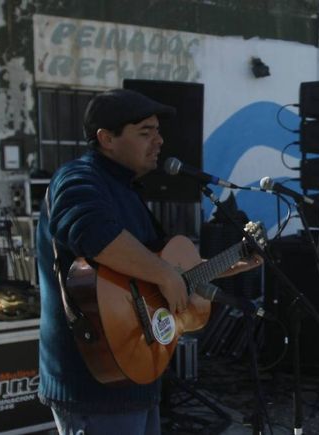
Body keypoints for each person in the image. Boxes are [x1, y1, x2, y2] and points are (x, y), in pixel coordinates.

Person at [36, 89, 261, 434]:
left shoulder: (126, 189)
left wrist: (233, 263)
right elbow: (89, 231)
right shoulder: (78, 177)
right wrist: (163, 274)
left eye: (157, 130)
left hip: (136, 373)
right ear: (106, 138)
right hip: (93, 381)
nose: (159, 140)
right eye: (145, 132)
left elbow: (162, 275)